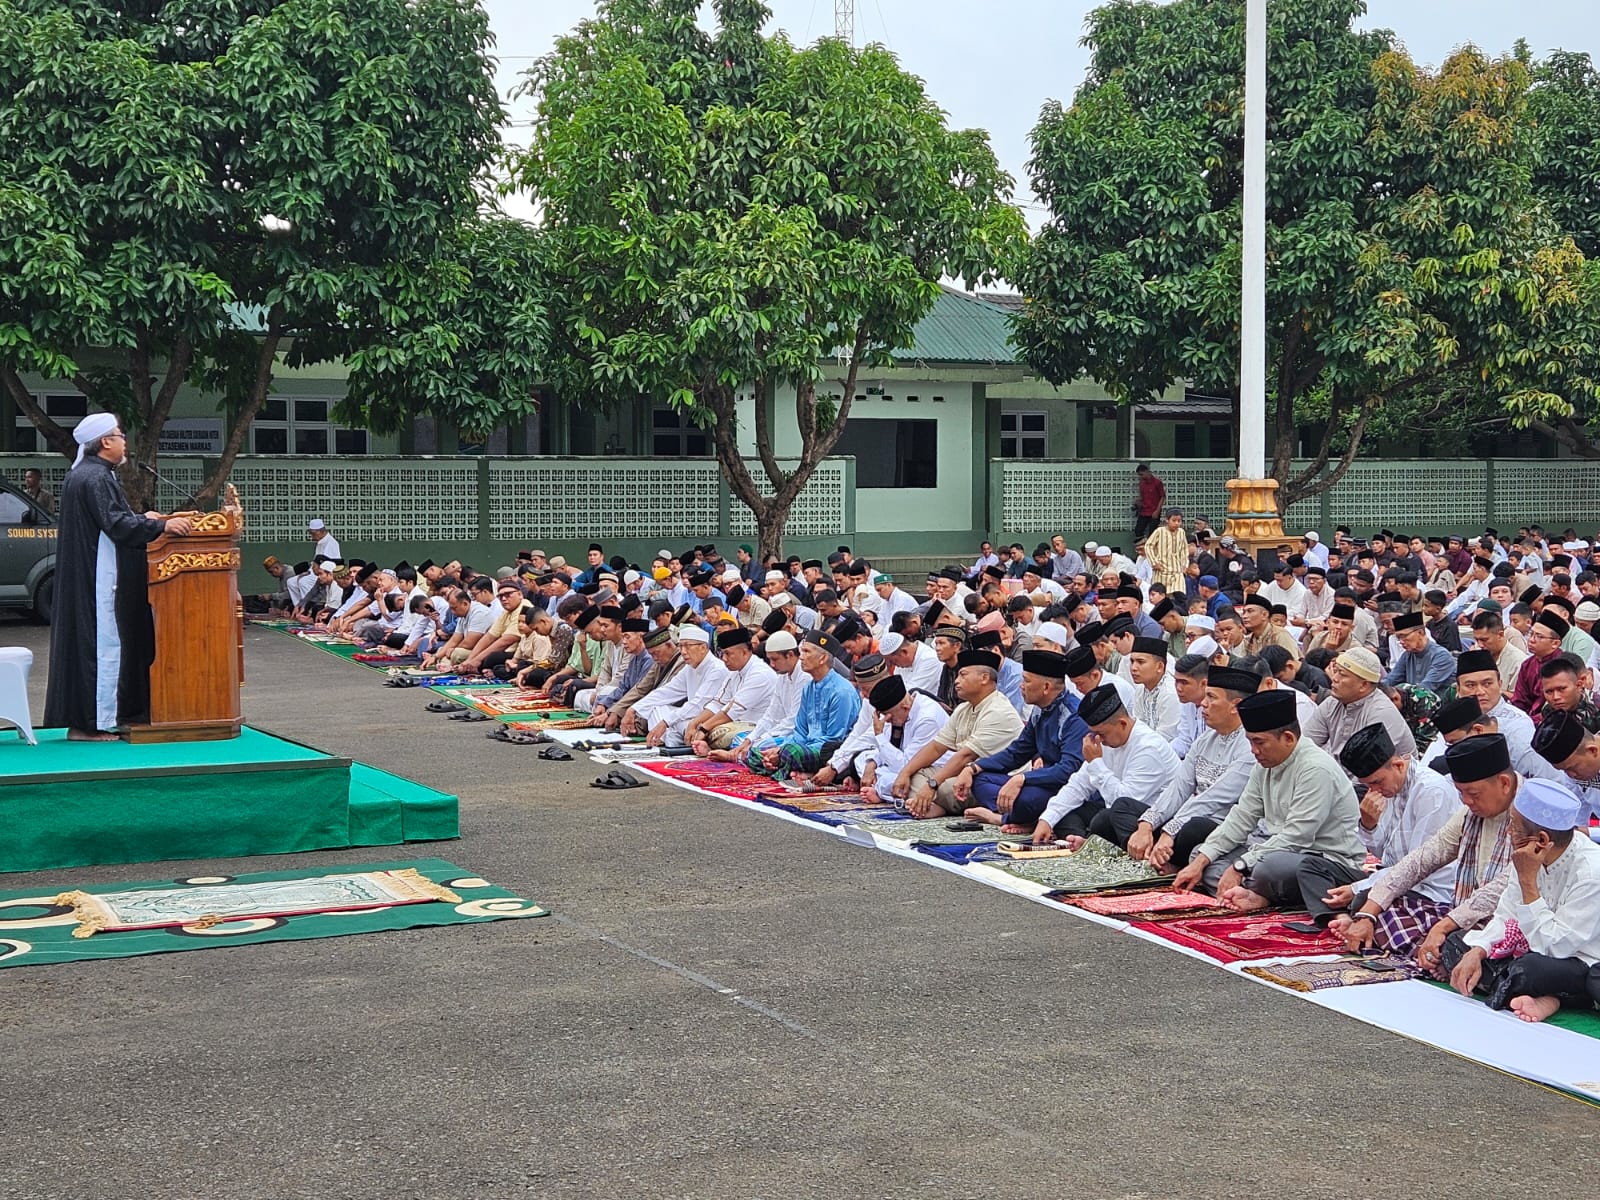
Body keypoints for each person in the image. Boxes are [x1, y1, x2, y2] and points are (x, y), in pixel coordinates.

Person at [44, 414, 194, 740]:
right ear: (105, 442)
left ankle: (86, 721)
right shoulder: (96, 478)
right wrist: (161, 526)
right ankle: (93, 725)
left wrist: (144, 517)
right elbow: (118, 526)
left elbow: (113, 518)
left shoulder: (89, 475)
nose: (125, 440)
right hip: (99, 577)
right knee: (102, 645)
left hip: (89, 572)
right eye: (119, 434)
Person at [1173, 690, 1365, 922]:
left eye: (1259, 742)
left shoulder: (1315, 769)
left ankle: (1259, 895)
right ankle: (1255, 894)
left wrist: (1240, 866)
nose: (1253, 750)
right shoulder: (1264, 764)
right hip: (1275, 851)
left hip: (1321, 861)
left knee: (1269, 868)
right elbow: (1241, 818)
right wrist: (1202, 860)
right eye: (1250, 741)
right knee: (1202, 855)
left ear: (1288, 738)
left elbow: (1297, 837)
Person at [1338, 734, 1521, 968]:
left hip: (1513, 922)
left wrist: (1443, 926)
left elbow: (1502, 890)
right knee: (1381, 912)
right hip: (1459, 912)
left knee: (1462, 945)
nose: (1466, 802)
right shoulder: (1470, 814)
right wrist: (1368, 914)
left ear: (1505, 783)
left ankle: (1448, 957)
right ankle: (1441, 956)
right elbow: (1421, 860)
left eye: (1473, 794)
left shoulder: (1531, 817)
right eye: (1461, 793)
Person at [1441, 778, 1600, 1022]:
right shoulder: (1528, 855)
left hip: (1578, 961)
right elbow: (1506, 914)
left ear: (1543, 840)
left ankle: (1553, 997)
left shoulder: (1591, 872)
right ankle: (1516, 987)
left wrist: (1528, 883)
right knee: (1456, 944)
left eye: (1513, 826)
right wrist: (1480, 950)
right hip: (1531, 947)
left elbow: (1557, 947)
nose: (1508, 832)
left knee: (1529, 970)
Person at [1313, 724, 1459, 938]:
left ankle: (1352, 918)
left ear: (1399, 765)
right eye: (1368, 785)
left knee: (1365, 899)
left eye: (1376, 782)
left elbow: (1418, 867)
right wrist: (1368, 825)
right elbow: (1385, 857)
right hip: (1390, 876)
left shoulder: (1431, 792)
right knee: (1310, 867)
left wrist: (1359, 888)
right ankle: (1345, 918)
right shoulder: (1390, 789)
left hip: (1426, 889)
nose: (1374, 790)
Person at [1126, 665, 1258, 871]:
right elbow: (1179, 787)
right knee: (1121, 809)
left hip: (1220, 825)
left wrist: (1170, 831)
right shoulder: (1205, 739)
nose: (1203, 704)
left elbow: (1215, 798)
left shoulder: (1251, 746)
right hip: (1188, 816)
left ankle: (1166, 864)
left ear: (1235, 706)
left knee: (1194, 828)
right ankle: (1154, 857)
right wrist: (1147, 825)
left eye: (1212, 698)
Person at [955, 650, 1089, 830]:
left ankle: (1003, 818)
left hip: (1063, 787)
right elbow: (1017, 752)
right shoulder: (1040, 709)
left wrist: (1023, 778)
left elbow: (1068, 770)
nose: (1021, 686)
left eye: (1026, 680)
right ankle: (1016, 816)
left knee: (1025, 799)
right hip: (1040, 781)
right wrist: (973, 767)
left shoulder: (1073, 716)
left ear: (1046, 687)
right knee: (980, 779)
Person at [1033, 684, 1182, 843]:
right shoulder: (1108, 741)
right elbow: (1079, 785)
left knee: (1105, 819)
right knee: (1064, 813)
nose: (1098, 739)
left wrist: (1096, 763)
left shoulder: (1149, 748)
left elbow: (1123, 803)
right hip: (1118, 814)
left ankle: (1092, 844)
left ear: (1122, 724)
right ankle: (1084, 843)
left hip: (1154, 822)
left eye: (1101, 733)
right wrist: (1047, 820)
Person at [893, 649, 1023, 816]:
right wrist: (905, 772)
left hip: (994, 779)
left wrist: (932, 785)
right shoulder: (963, 708)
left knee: (946, 788)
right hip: (965, 773)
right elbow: (936, 747)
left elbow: (966, 756)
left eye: (963, 675)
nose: (956, 681)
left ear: (984, 678)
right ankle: (932, 805)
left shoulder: (998, 710)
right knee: (915, 774)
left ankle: (931, 804)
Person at [1302, 647, 1417, 764]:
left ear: (1364, 685)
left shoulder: (1381, 712)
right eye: (1335, 671)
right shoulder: (1331, 702)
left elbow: (1369, 770)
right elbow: (1306, 747)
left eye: (1342, 674)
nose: (1335, 679)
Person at [1133, 463, 1165, 541]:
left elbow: (1163, 497)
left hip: (1154, 511)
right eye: (1139, 475)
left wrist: (1157, 511)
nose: (1141, 477)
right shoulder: (1142, 483)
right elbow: (1142, 496)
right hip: (1144, 511)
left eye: (1142, 474)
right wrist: (1137, 502)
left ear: (1147, 471)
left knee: (1152, 533)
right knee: (1138, 530)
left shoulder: (1157, 482)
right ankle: (1143, 545)